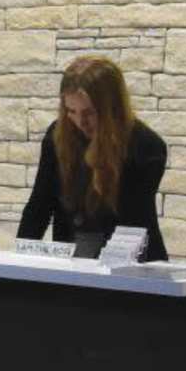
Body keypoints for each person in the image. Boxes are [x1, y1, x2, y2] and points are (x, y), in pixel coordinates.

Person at [17, 55, 169, 258]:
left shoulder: (146, 147)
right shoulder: (57, 136)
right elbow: (39, 206)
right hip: (73, 264)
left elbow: (130, 223)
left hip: (132, 265)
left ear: (112, 108)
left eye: (90, 112)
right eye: (71, 111)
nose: (80, 122)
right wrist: (20, 261)